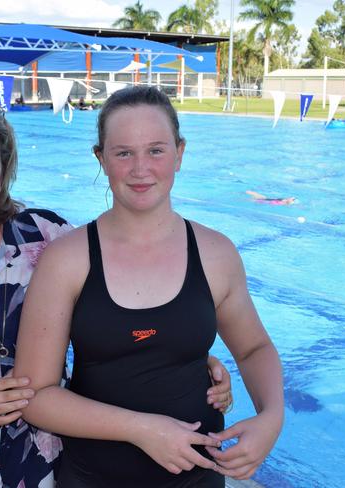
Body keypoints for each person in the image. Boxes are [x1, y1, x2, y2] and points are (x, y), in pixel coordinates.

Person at [0, 96, 233, 488]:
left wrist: (185, 350)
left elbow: (120, 301)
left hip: (49, 465)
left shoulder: (45, 238)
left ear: (3, 172)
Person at [15, 86, 284, 487]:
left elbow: (253, 348)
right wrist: (141, 429)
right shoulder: (68, 260)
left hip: (198, 478)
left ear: (179, 152)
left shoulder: (215, 253)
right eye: (123, 152)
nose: (141, 168)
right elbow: (35, 395)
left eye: (156, 150)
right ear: (101, 158)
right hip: (95, 477)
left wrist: (271, 418)